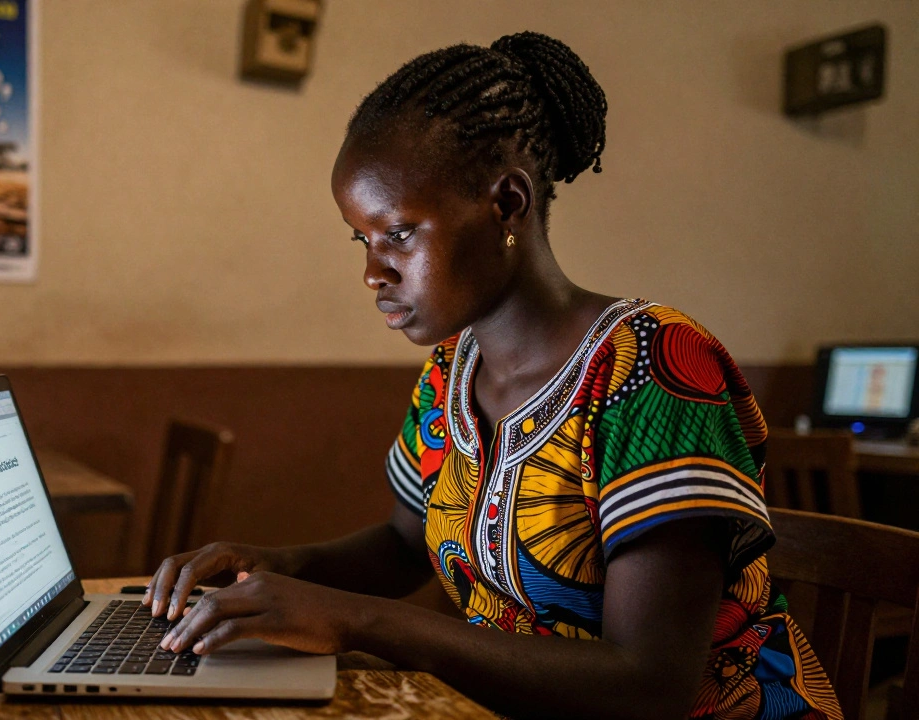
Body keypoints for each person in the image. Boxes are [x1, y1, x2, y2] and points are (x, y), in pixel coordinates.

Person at [144, 32, 841, 720]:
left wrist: (361, 623)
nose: (371, 272)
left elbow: (650, 685)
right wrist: (275, 566)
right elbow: (401, 545)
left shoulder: (655, 368)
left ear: (507, 202)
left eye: (399, 233)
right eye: (363, 239)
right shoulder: (451, 372)